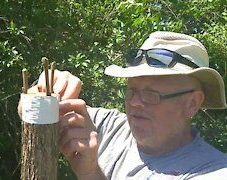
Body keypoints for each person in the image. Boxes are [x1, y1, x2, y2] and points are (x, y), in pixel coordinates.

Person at [26, 31, 227, 179]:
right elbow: (28, 111)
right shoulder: (111, 126)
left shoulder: (213, 171)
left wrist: (89, 172)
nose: (134, 102)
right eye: (132, 90)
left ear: (192, 103)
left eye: (151, 94)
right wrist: (44, 92)